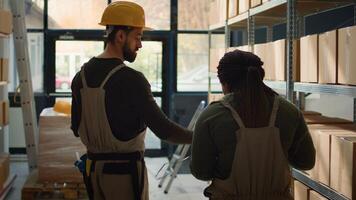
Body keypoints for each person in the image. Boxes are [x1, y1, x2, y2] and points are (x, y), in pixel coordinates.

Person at [70, 1, 192, 200]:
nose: (140, 44)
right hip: (125, 177)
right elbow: (164, 130)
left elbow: (76, 128)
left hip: (93, 174)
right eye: (138, 37)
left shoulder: (80, 77)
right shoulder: (132, 79)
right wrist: (199, 136)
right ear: (120, 36)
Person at [190, 50, 315, 200]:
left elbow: (201, 172)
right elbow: (306, 162)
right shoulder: (290, 112)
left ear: (225, 83)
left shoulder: (211, 115)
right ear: (259, 77)